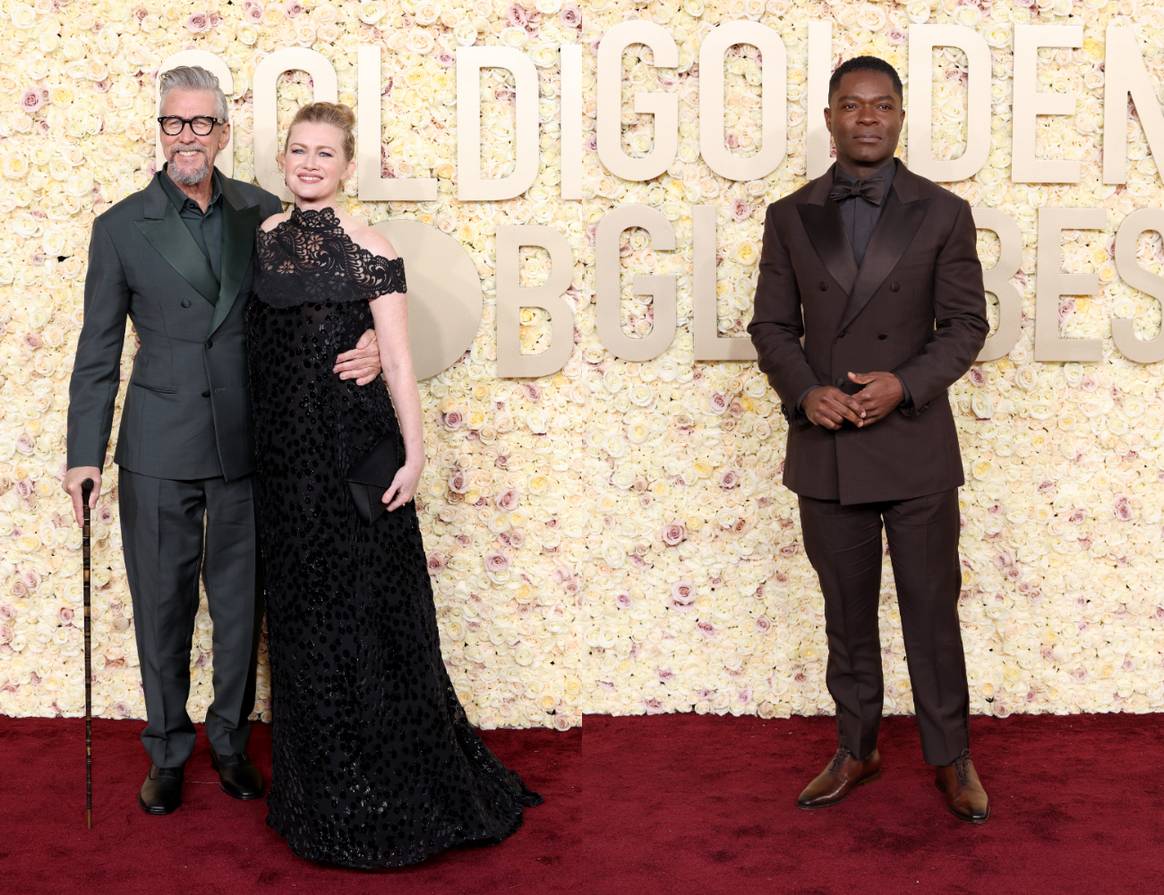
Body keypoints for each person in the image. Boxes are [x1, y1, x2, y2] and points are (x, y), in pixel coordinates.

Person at [63, 66, 381, 815]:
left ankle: (231, 745)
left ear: (225, 132)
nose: (188, 137)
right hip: (157, 448)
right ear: (161, 129)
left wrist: (369, 338)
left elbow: (325, 297)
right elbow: (98, 350)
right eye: (175, 123)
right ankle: (168, 750)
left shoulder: (263, 212)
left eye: (202, 123)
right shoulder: (119, 227)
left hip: (247, 445)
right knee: (162, 606)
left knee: (240, 608)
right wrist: (84, 453)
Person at [248, 101, 540, 867]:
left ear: (348, 167)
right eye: (299, 150)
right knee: (304, 631)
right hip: (283, 472)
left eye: (326, 153)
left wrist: (415, 455)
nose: (310, 163)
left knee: (372, 619)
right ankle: (321, 793)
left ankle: (394, 790)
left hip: (351, 457)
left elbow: (402, 361)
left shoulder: (370, 247)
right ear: (284, 159)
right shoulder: (261, 242)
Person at [748, 56, 991, 823]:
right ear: (829, 118)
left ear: (900, 116)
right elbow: (771, 325)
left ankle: (950, 756)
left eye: (881, 105)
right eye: (852, 105)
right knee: (845, 611)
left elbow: (966, 326)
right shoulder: (789, 215)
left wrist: (906, 384)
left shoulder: (944, 212)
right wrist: (805, 392)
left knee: (930, 607)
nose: (867, 118)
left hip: (915, 445)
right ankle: (858, 746)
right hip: (827, 449)